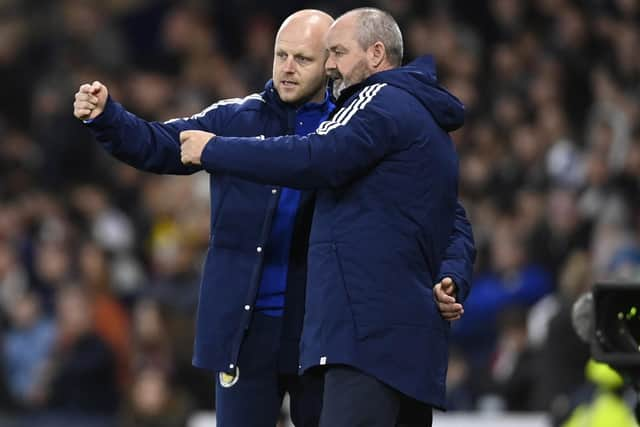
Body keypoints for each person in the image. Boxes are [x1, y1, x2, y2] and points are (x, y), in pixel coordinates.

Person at [73, 8, 473, 427]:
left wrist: (452, 272)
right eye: (281, 55)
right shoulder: (239, 117)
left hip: (316, 329)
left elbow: (440, 208)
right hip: (244, 331)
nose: (286, 68)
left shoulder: (352, 125)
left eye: (304, 59)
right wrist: (108, 119)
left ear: (329, 65)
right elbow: (162, 144)